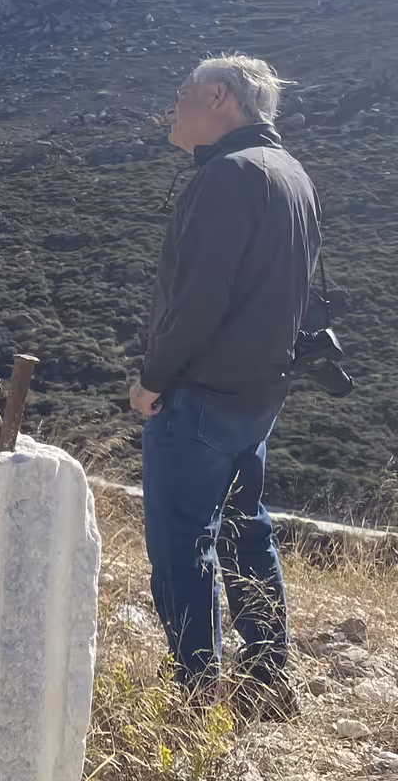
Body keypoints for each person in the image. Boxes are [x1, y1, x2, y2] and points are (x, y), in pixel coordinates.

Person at [131, 54, 317, 711]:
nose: (170, 109)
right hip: (258, 393)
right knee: (246, 529)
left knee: (182, 543)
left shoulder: (228, 174)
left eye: (180, 95)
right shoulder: (288, 173)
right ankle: (269, 676)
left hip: (201, 394)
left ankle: (195, 689)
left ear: (218, 97)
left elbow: (201, 297)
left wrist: (153, 379)